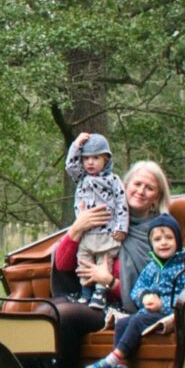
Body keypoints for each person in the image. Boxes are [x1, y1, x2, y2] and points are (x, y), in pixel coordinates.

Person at [45, 158, 173, 368]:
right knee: (42, 311)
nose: (141, 191)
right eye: (137, 184)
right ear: (124, 186)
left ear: (157, 197)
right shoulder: (105, 216)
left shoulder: (159, 233)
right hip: (86, 295)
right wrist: (78, 227)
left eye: (149, 188)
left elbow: (155, 289)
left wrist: (109, 281)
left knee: (63, 315)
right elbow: (64, 265)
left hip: (120, 307)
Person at [83, 213, 185, 368]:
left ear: (178, 241)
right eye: (157, 239)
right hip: (147, 312)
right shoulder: (151, 267)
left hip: (170, 314)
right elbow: (136, 290)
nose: (163, 243)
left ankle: (111, 359)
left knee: (138, 321)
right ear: (151, 243)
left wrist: (162, 304)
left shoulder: (183, 266)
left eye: (169, 238)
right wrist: (144, 297)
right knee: (122, 323)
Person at [64, 132, 127, 310]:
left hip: (106, 233)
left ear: (106, 159)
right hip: (86, 233)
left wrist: (121, 227)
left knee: (104, 263)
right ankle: (86, 292)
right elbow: (70, 166)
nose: (90, 162)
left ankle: (100, 294)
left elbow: (122, 203)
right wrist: (76, 145)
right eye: (86, 158)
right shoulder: (81, 178)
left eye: (96, 158)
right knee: (83, 261)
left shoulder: (113, 180)